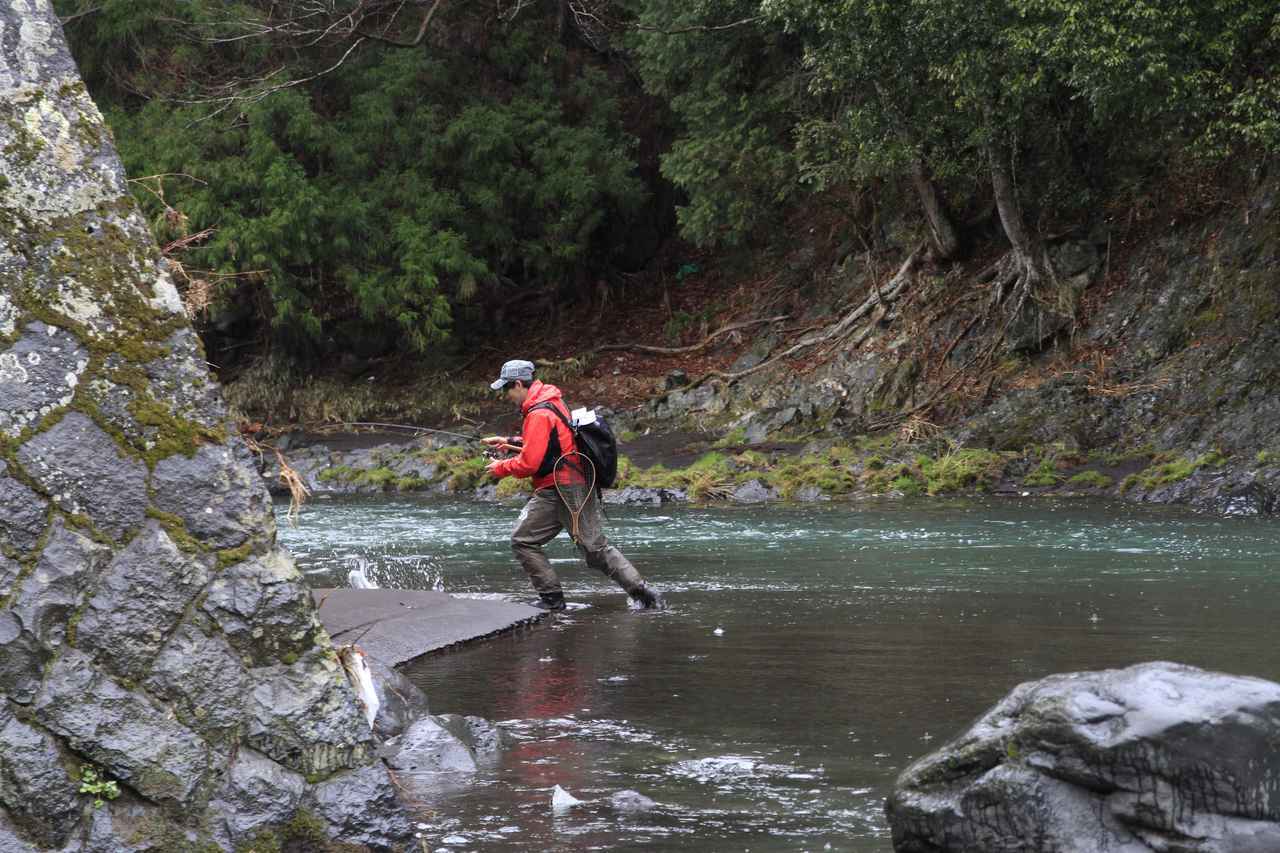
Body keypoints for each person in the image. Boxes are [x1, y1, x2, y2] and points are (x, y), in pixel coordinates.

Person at [483, 359, 663, 611]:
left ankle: (642, 595)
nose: (506, 395)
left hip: (564, 488)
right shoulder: (551, 401)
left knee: (590, 548)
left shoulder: (538, 412)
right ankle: (554, 599)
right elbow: (553, 443)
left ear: (518, 384)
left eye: (506, 389)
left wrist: (500, 468)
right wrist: (510, 441)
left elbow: (530, 464)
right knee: (528, 540)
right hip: (563, 485)